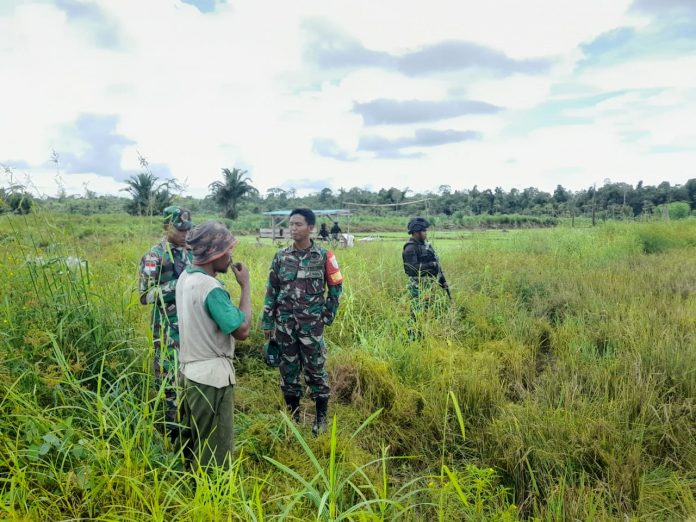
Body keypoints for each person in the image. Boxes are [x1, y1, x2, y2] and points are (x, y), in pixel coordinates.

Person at [176, 221, 251, 469]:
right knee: (216, 453)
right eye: (227, 250)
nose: (231, 256)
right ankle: (214, 502)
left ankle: (190, 491)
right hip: (212, 380)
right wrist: (245, 286)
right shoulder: (211, 288)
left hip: (188, 373)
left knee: (193, 440)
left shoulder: (185, 277)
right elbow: (242, 330)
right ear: (214, 253)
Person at [261, 208, 343, 436]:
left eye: (298, 224)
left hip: (311, 326)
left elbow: (336, 287)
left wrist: (328, 315)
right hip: (284, 325)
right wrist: (267, 321)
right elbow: (272, 290)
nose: (293, 228)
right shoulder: (280, 257)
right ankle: (294, 417)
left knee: (315, 370)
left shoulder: (324, 256)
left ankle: (321, 419)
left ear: (311, 228)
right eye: (291, 224)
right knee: (288, 370)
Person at [138, 206, 193, 440]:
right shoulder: (154, 256)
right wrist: (180, 285)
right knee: (169, 380)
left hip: (191, 326)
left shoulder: (191, 252)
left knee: (190, 376)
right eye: (180, 230)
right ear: (166, 227)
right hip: (167, 328)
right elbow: (144, 295)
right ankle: (173, 433)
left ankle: (191, 426)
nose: (185, 234)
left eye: (188, 229)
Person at [402, 217, 450, 338]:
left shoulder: (427, 247)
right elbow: (411, 269)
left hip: (429, 286)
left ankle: (423, 335)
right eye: (424, 231)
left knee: (427, 312)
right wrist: (430, 265)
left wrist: (443, 282)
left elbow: (437, 267)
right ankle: (411, 337)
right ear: (417, 232)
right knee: (416, 312)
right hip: (417, 287)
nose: (425, 234)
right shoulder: (410, 248)